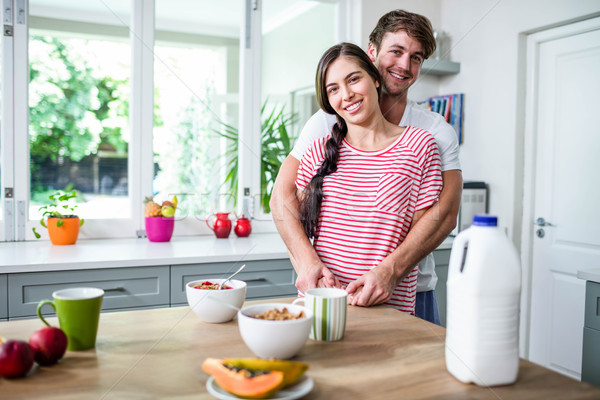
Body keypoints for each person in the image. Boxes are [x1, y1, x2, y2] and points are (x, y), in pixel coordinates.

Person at [270, 10, 462, 324]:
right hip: (328, 296)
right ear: (372, 53)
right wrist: (306, 263)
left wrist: (391, 270)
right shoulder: (324, 127)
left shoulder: (431, 134)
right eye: (396, 52)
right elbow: (283, 199)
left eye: (416, 57)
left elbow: (444, 213)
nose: (404, 65)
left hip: (408, 292)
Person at [296, 42, 442, 313]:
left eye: (354, 79)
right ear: (328, 100)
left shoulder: (420, 146)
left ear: (375, 79)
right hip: (323, 306)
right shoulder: (317, 151)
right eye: (334, 89)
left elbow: (422, 234)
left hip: (388, 309)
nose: (347, 94)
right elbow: (295, 225)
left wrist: (390, 273)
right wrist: (307, 268)